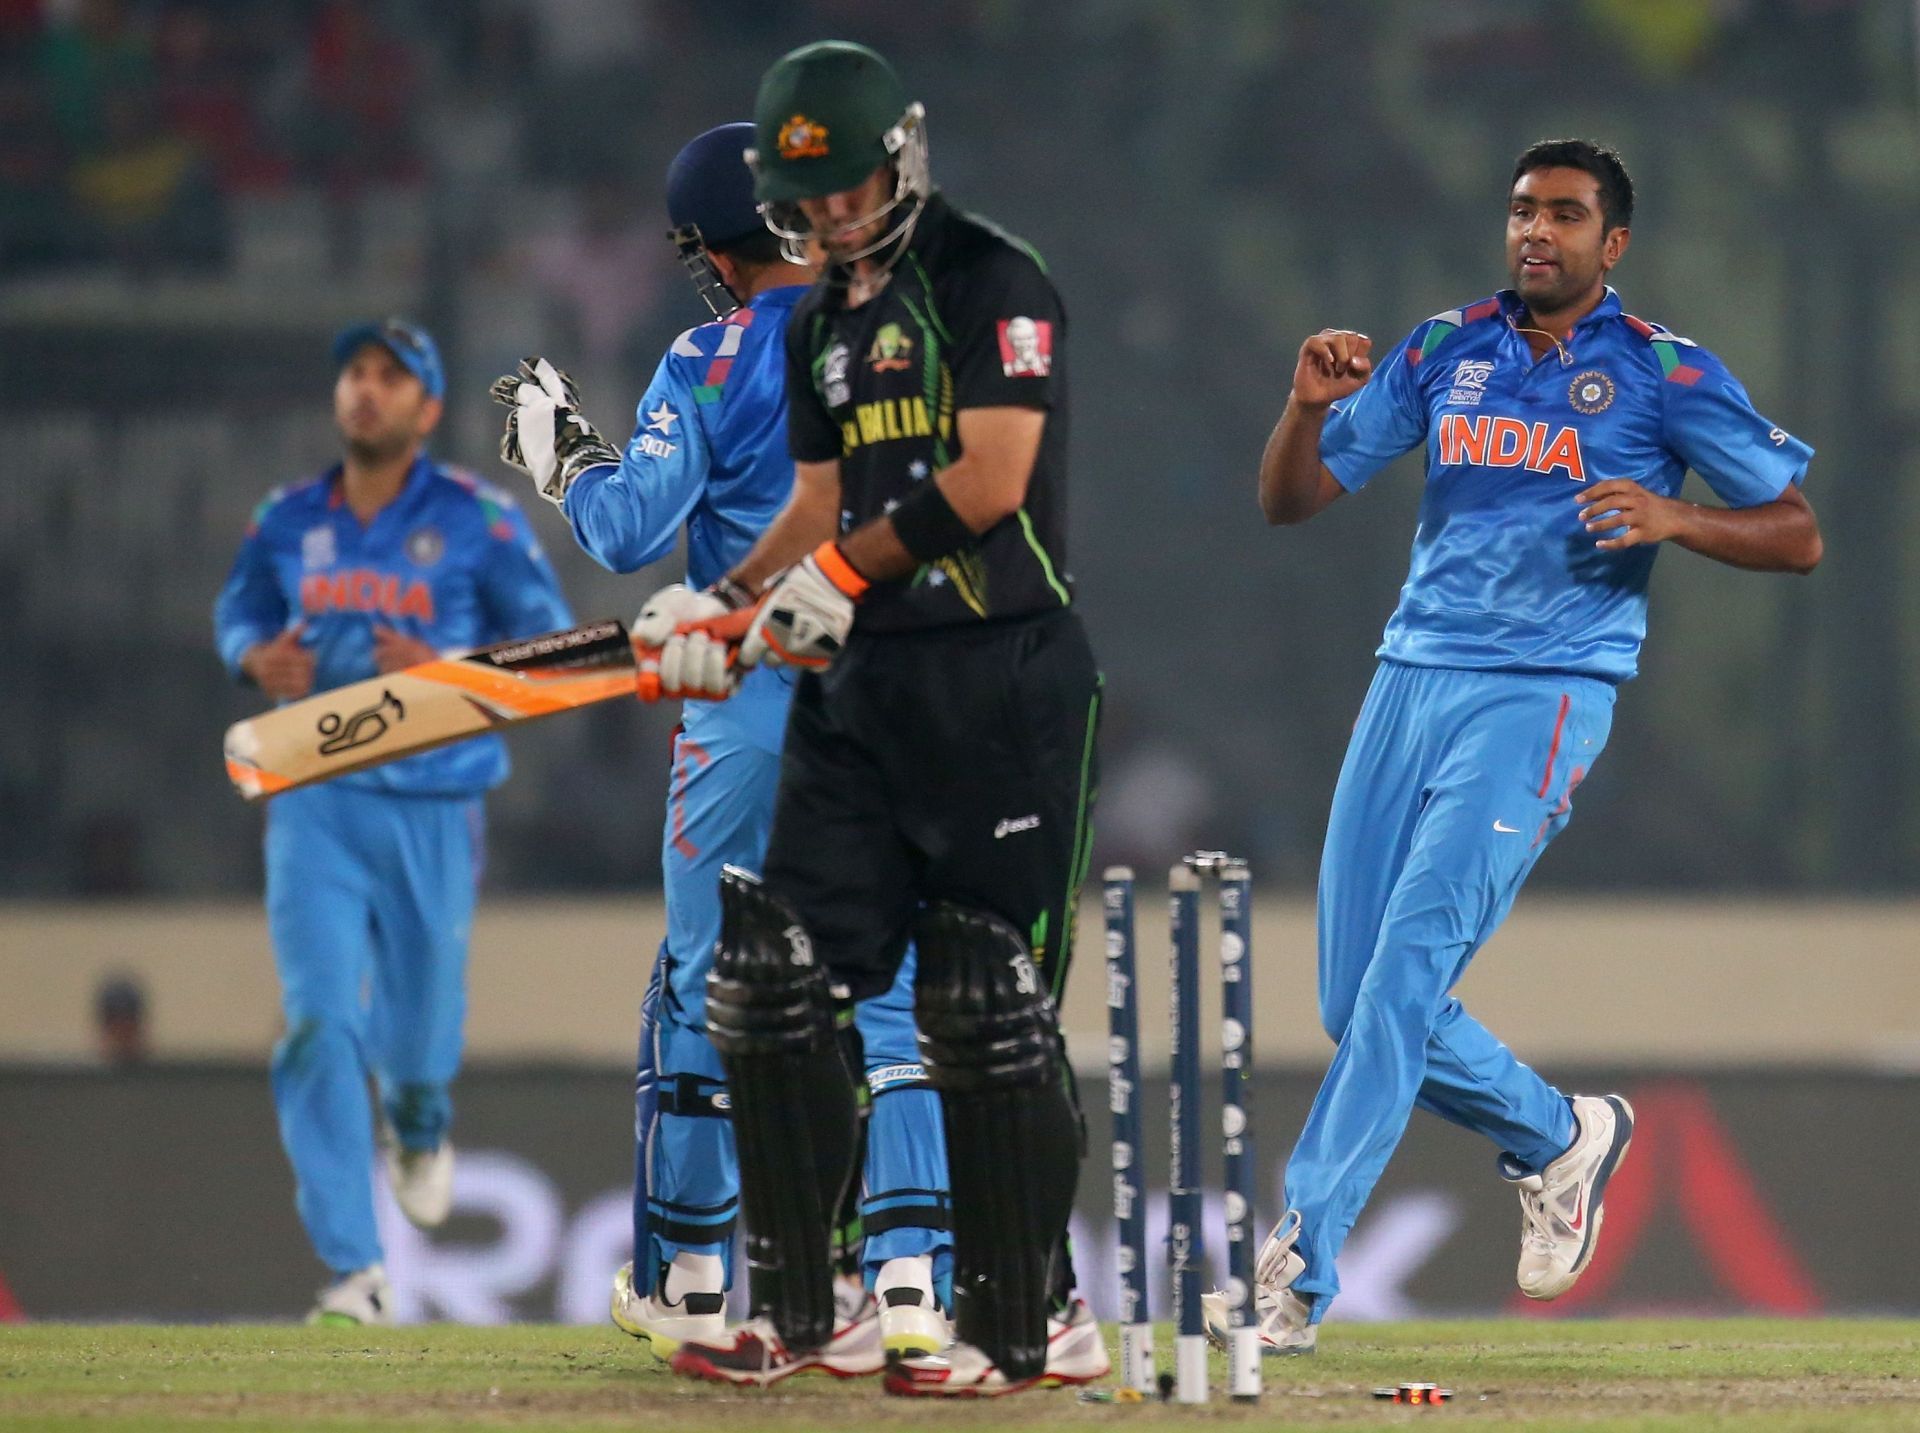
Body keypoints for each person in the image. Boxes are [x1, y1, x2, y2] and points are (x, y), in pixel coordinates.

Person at [1226, 139, 1821, 1352]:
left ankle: (1296, 1261)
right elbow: (1291, 500)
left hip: (1541, 692)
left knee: (1399, 981)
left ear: (1616, 243)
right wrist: (1303, 408)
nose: (1535, 231)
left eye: (1565, 213)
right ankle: (1559, 1134)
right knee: (1357, 999)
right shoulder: (1448, 348)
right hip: (1409, 681)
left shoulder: (1667, 373)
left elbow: (1798, 530)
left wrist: (1675, 516)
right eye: (1521, 211)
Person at [635, 41, 1108, 1397]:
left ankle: (1036, 1319)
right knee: (774, 976)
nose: (838, 217)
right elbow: (812, 508)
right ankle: (803, 1303)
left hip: (1000, 676)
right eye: (813, 202)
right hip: (863, 686)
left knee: (980, 998)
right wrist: (715, 605)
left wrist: (832, 580)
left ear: (896, 156)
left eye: (852, 188)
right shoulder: (813, 322)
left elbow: (993, 476)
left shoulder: (992, 281)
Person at [491, 122, 955, 1364]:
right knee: (895, 984)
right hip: (894, 693)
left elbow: (631, 529)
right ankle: (910, 1279)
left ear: (706, 248)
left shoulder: (706, 356)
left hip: (747, 699)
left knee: (705, 980)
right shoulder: (898, 335)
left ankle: (694, 1278)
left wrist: (567, 458)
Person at [214, 319, 572, 1325]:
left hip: (434, 797)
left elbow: (551, 643)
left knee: (415, 1037)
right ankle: (357, 1270)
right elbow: (239, 608)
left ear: (428, 408)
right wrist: (253, 655)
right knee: (318, 1022)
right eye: (354, 374)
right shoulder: (286, 517)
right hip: (315, 799)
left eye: (390, 376)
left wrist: (443, 668)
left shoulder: (478, 520)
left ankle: (418, 1119)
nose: (365, 390)